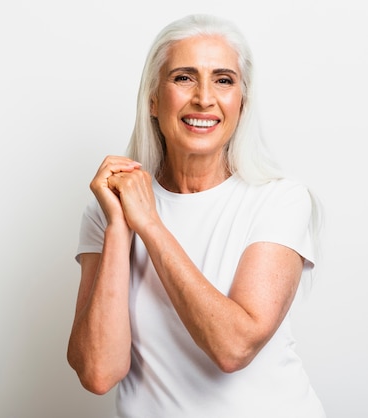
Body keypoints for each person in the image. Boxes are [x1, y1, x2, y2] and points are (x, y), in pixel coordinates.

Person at [66, 13, 326, 418]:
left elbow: (234, 347)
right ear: (153, 99)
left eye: (223, 79)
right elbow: (98, 373)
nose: (204, 97)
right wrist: (120, 226)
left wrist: (149, 224)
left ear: (242, 101)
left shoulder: (279, 200)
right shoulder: (109, 209)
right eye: (184, 77)